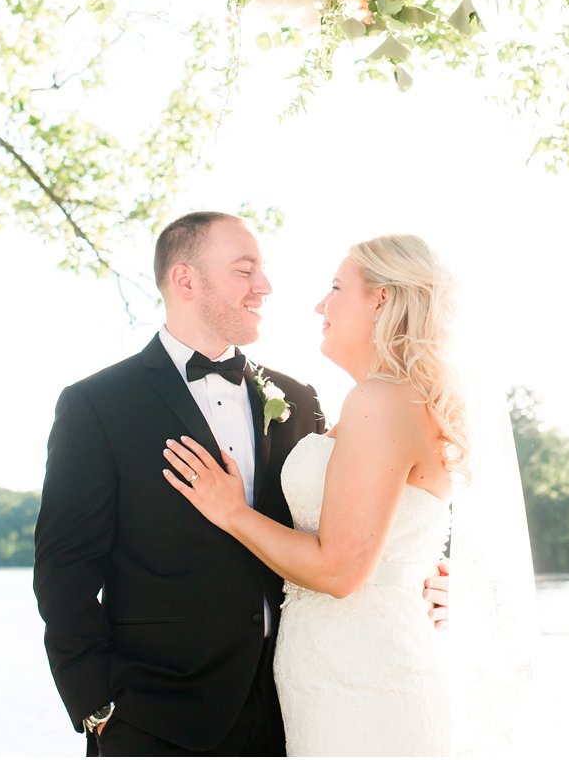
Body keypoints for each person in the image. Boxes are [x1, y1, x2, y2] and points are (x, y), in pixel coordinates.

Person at [34, 213, 449, 757]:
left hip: (294, 711)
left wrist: (437, 578)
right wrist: (96, 705)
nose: (266, 287)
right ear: (186, 280)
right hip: (154, 720)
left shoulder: (298, 399)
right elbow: (63, 572)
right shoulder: (98, 405)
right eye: (244, 270)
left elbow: (378, 513)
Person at [163, 234, 467, 756]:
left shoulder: (378, 401)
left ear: (382, 299)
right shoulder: (404, 401)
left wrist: (232, 512)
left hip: (361, 682)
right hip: (347, 670)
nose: (319, 305)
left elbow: (339, 571)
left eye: (335, 287)